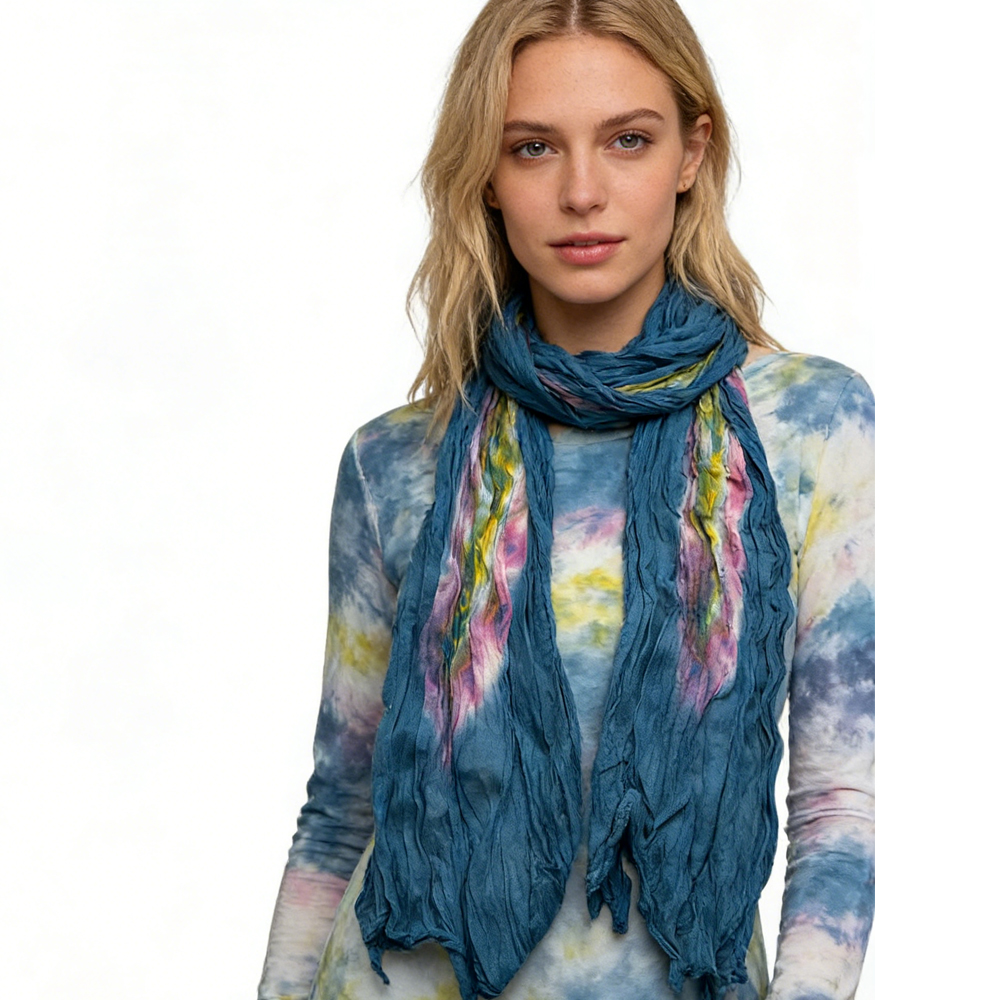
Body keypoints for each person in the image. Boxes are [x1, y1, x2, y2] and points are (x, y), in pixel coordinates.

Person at [258, 1, 874, 998]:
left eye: (628, 140)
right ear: (487, 177)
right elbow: (339, 814)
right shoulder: (394, 459)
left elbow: (834, 811)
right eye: (533, 148)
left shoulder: (807, 424)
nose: (582, 192)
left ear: (691, 152)